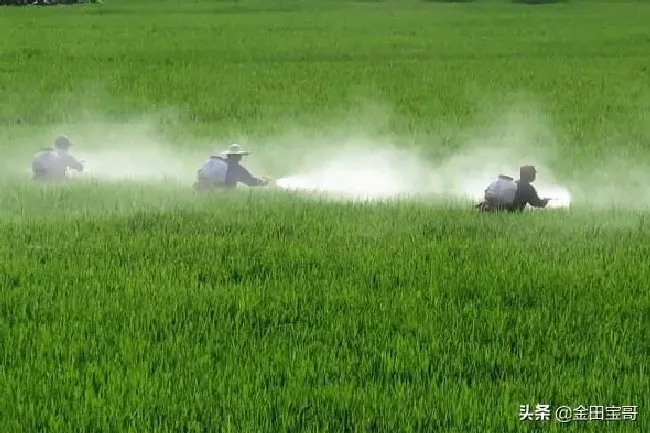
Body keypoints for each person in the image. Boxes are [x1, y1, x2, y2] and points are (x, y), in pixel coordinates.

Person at [193, 143, 270, 192]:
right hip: (224, 195)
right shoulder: (237, 169)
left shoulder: (220, 163)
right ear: (238, 156)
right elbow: (250, 182)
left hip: (208, 192)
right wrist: (263, 182)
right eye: (240, 155)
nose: (241, 157)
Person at [476, 165, 550, 212]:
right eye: (533, 174)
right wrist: (545, 201)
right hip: (512, 212)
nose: (534, 176)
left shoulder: (515, 183)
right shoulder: (529, 189)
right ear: (530, 175)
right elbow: (537, 203)